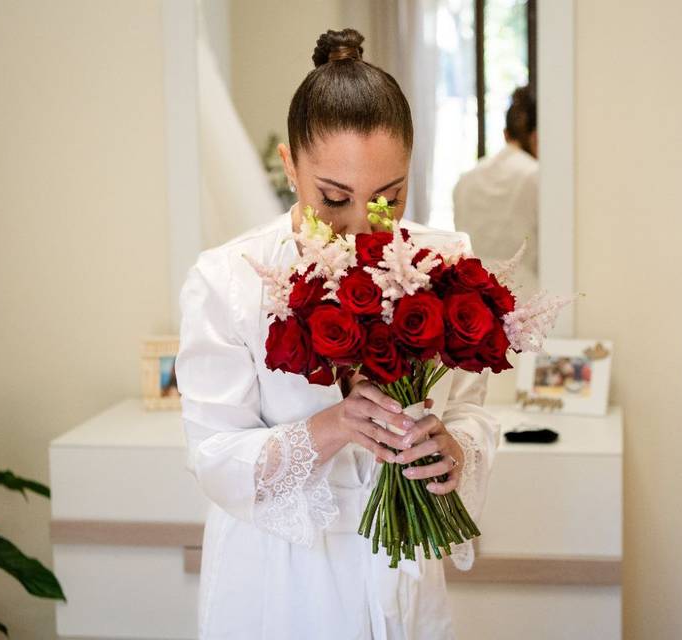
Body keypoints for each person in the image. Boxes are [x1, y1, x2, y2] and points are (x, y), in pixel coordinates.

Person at [175, 27, 501, 640]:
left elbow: (472, 414)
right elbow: (213, 456)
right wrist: (332, 427)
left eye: (389, 196)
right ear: (290, 166)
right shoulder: (228, 280)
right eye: (333, 197)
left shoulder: (441, 262)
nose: (360, 225)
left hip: (398, 566)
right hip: (278, 577)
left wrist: (453, 449)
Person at [452, 86, 539, 294]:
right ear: (536, 137)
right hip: (528, 296)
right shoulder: (537, 176)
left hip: (473, 296)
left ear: (505, 134)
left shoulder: (466, 178)